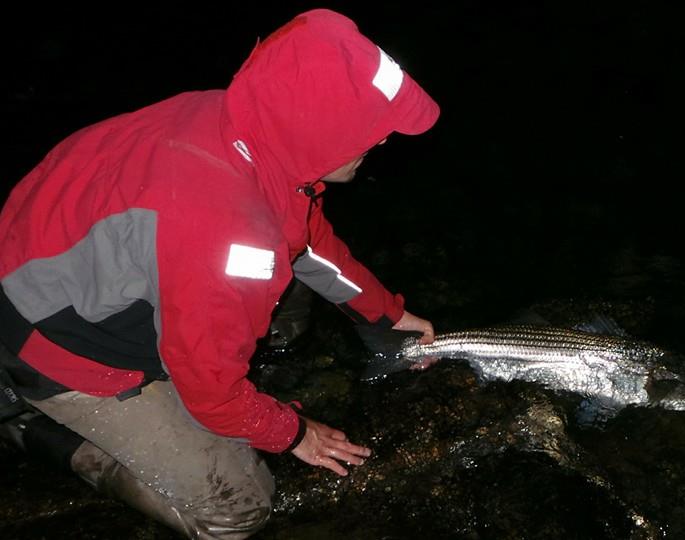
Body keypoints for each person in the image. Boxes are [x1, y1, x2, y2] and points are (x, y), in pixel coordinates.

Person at [0, 8, 438, 539]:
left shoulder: (235, 118)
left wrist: (384, 313)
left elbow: (303, 235)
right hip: (58, 345)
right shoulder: (228, 232)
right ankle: (39, 429)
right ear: (319, 130)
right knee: (241, 508)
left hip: (43, 262)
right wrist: (294, 432)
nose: (386, 139)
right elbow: (211, 392)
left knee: (265, 291)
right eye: (374, 127)